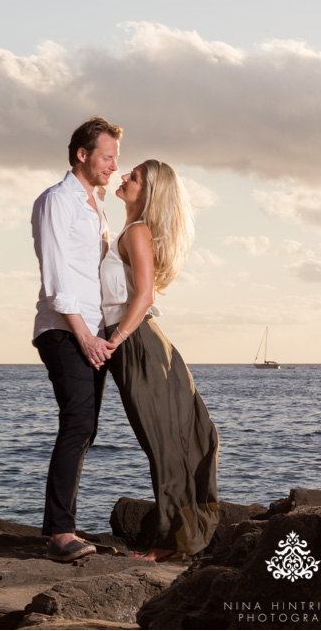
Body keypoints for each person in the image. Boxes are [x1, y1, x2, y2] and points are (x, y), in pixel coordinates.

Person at [101, 159, 220, 561]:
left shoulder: (136, 231)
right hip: (144, 343)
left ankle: (170, 543)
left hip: (138, 344)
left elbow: (144, 297)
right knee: (167, 442)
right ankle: (179, 536)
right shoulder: (129, 230)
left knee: (163, 443)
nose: (123, 178)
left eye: (132, 177)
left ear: (148, 192)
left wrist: (113, 340)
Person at [31, 116, 121, 561]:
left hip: (91, 330)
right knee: (78, 423)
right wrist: (84, 335)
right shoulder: (57, 201)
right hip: (65, 329)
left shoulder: (96, 204)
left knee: (85, 428)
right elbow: (56, 277)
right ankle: (60, 535)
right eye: (107, 157)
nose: (113, 166)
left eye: (116, 159)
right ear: (82, 155)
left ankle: (64, 527)